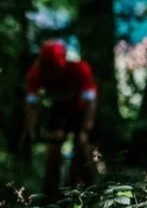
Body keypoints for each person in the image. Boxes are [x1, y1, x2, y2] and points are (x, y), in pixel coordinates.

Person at [23, 40, 98, 199]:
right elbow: (32, 104)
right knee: (54, 148)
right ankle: (50, 193)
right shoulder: (37, 72)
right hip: (58, 111)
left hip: (80, 110)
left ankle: (91, 189)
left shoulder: (78, 69)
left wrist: (86, 128)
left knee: (82, 146)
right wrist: (31, 128)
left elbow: (90, 101)